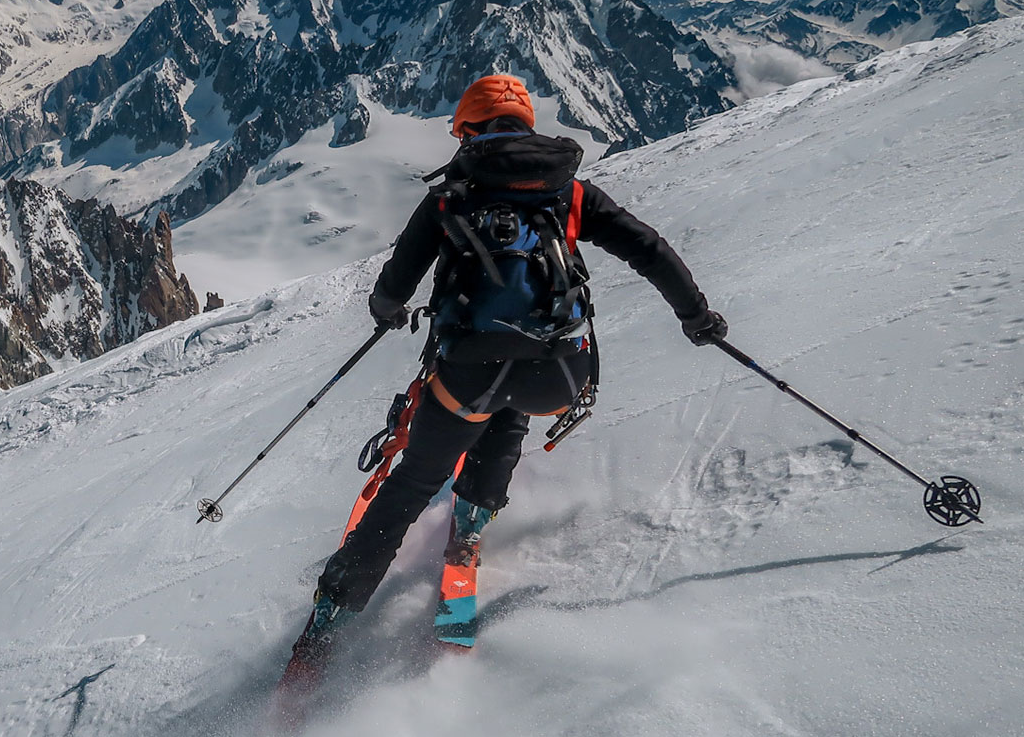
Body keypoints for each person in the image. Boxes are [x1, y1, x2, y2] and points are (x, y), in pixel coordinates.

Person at [302, 73, 726, 648]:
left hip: (467, 375)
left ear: (469, 131)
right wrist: (696, 316)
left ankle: (333, 613)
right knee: (511, 403)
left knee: (415, 481)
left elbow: (393, 286)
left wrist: (388, 310)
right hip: (559, 376)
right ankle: (473, 522)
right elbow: (648, 247)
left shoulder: (450, 195)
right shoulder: (570, 191)